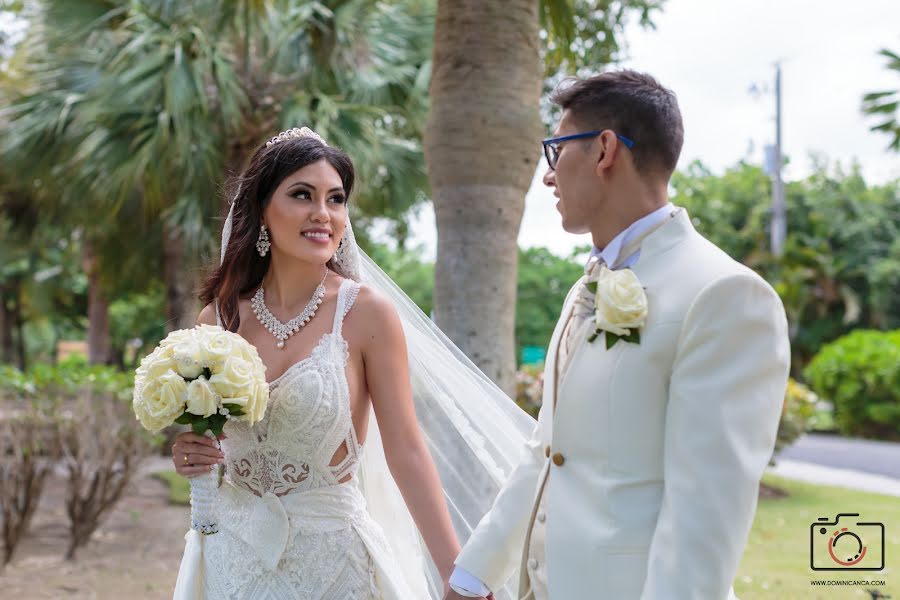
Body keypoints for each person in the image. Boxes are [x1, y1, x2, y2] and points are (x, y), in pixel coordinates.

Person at [447, 70, 791, 600]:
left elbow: (704, 520)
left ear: (604, 149)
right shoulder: (586, 286)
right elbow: (547, 448)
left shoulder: (724, 295)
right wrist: (474, 575)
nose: (549, 175)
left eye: (556, 150)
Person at [168, 127, 473, 599]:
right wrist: (191, 451)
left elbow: (407, 449)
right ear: (262, 211)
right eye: (302, 195)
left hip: (332, 566)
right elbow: (215, 447)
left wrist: (455, 570)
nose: (323, 214)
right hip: (234, 561)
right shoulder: (220, 318)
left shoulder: (367, 314)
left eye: (336, 199)